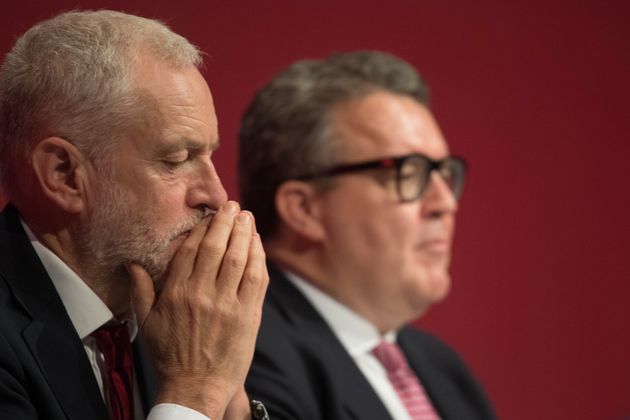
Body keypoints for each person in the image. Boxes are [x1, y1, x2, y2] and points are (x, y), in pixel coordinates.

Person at [0, 10, 269, 420]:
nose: (216, 195)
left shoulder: (187, 318)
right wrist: (195, 390)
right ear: (65, 174)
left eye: (209, 155)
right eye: (177, 159)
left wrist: (230, 402)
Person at [239, 51, 495, 419]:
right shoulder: (245, 355)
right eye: (410, 173)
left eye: (443, 172)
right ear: (304, 209)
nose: (445, 204)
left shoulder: (443, 369)